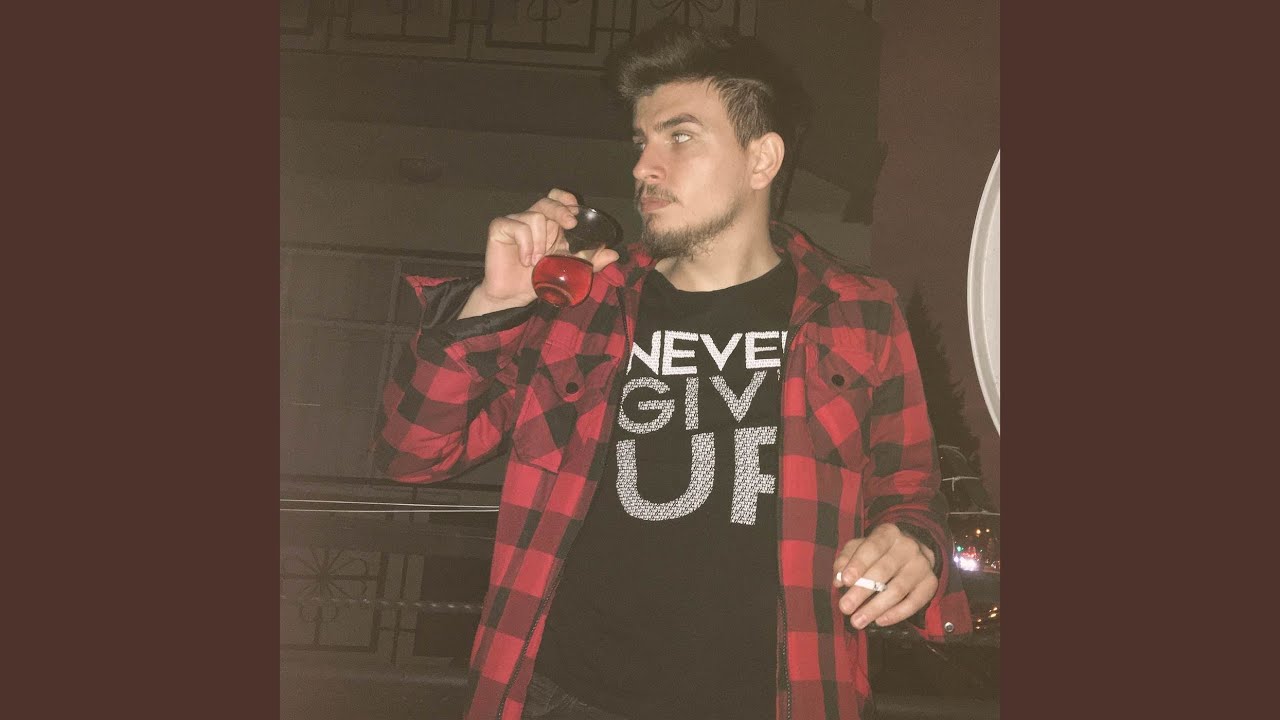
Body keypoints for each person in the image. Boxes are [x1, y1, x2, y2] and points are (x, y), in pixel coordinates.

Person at [374, 21, 971, 720]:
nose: (643, 169)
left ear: (762, 158)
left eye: (679, 136)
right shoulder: (585, 305)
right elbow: (412, 454)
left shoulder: (858, 312)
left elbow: (908, 489)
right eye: (641, 142)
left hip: (777, 700)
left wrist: (914, 542)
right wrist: (491, 305)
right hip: (563, 697)